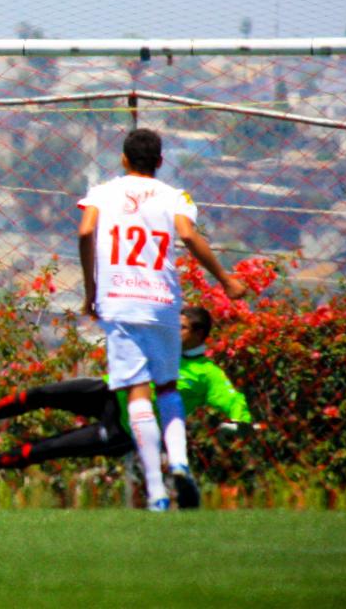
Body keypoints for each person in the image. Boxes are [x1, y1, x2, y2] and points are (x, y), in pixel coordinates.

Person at [77, 128, 245, 511]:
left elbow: (86, 230)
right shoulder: (175, 197)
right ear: (160, 162)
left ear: (123, 159)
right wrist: (225, 278)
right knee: (167, 388)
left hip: (118, 301)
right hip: (162, 302)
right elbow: (187, 236)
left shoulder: (102, 193)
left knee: (136, 392)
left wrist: (91, 290)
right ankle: (181, 463)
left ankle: (156, 492)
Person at [0, 305, 257, 479]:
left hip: (124, 427)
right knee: (39, 393)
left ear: (199, 333)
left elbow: (233, 400)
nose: (173, 331)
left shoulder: (207, 374)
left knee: (47, 448)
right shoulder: (162, 344)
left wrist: (241, 421)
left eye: (182, 327)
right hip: (107, 391)